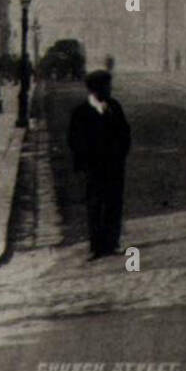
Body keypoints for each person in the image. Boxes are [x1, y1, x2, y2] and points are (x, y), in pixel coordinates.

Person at [67, 70, 132, 260]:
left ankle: (112, 243)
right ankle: (96, 246)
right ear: (96, 89)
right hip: (93, 167)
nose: (110, 89)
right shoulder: (81, 112)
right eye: (107, 86)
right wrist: (85, 162)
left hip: (114, 165)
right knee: (94, 205)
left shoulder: (114, 107)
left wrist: (120, 155)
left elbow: (125, 133)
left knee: (114, 203)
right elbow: (74, 140)